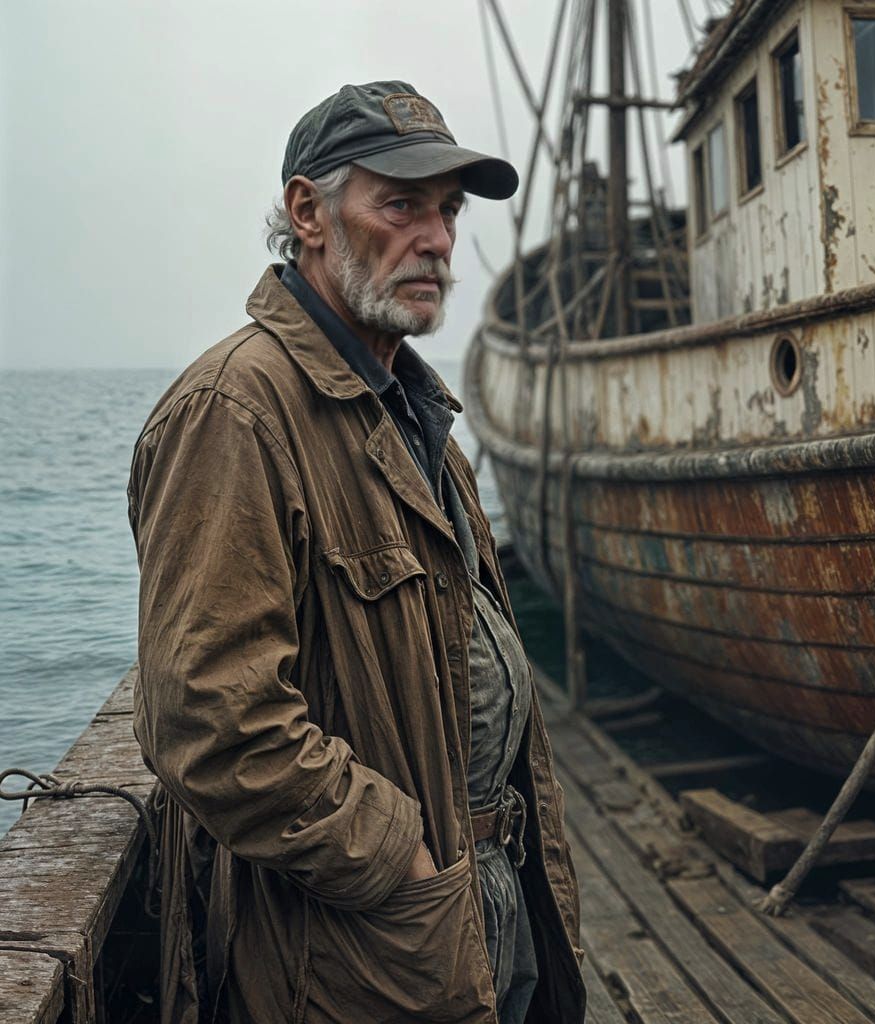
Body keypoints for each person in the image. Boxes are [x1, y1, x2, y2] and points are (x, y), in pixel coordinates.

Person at [128, 81, 585, 1024]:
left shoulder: (416, 417)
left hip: (480, 910)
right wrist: (399, 857)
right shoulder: (236, 413)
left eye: (449, 211)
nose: (438, 239)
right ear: (308, 213)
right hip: (362, 953)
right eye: (402, 205)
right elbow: (212, 721)